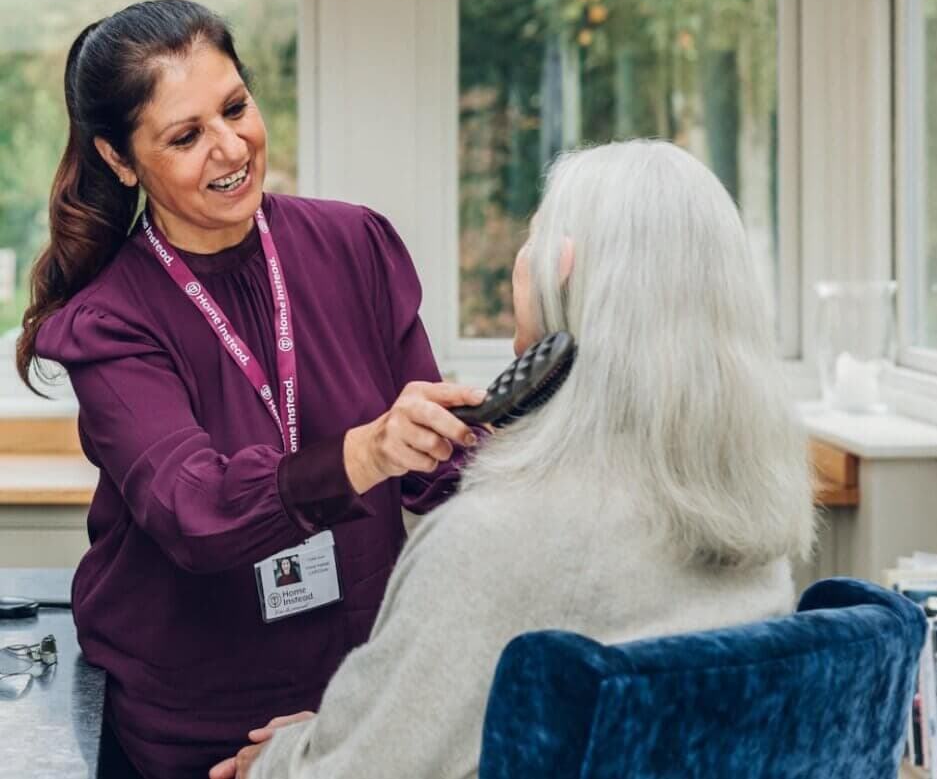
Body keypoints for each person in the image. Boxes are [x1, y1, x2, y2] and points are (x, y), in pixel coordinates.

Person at [212, 139, 816, 779]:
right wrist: (340, 731)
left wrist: (278, 760)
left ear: (562, 268)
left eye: (531, 239)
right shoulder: (752, 526)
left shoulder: (492, 540)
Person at [16, 0, 485, 779]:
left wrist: (509, 436)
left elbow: (438, 469)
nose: (230, 146)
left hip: (350, 711)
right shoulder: (110, 321)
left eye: (235, 107)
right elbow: (194, 510)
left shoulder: (354, 245)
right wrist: (365, 452)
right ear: (121, 159)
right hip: (192, 731)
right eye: (186, 135)